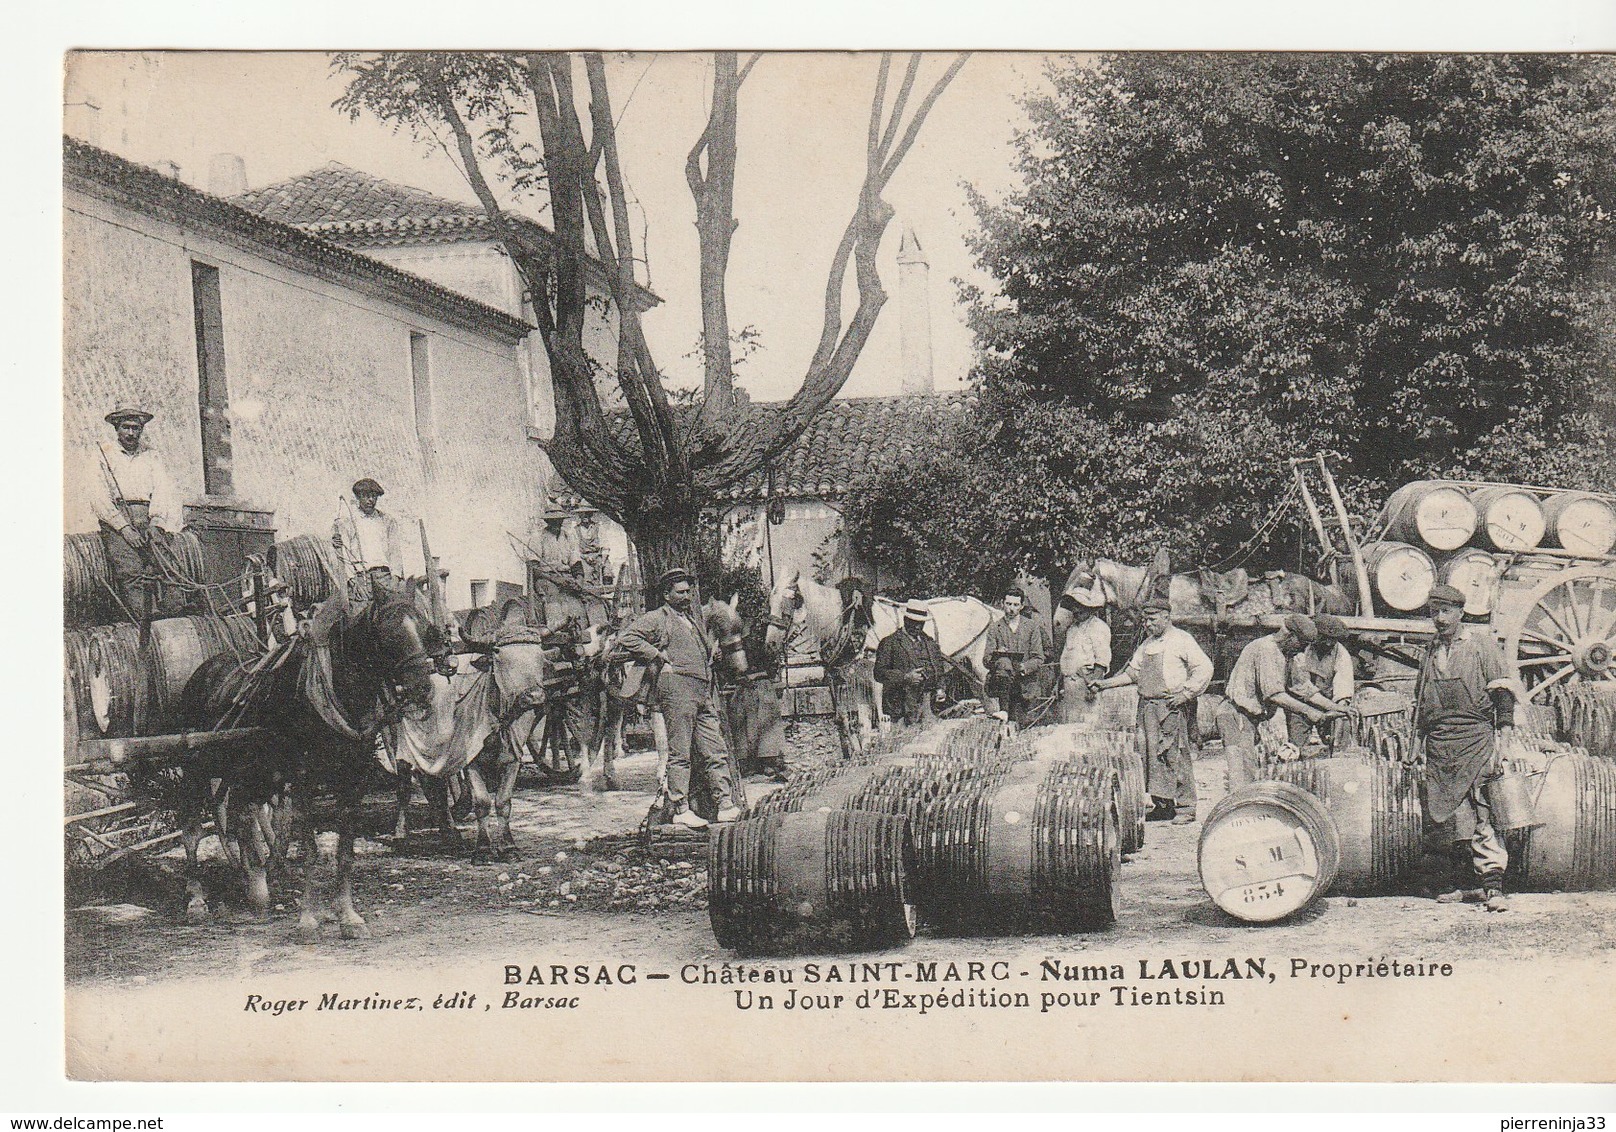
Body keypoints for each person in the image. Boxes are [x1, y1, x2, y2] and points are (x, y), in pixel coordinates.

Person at [1414, 583, 1518, 913]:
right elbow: (1420, 703)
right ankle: (1457, 884)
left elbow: (1503, 694)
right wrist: (1416, 742)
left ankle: (1494, 888)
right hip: (1441, 745)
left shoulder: (1480, 646)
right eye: (1434, 612)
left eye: (1445, 611)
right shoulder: (1430, 651)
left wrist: (1503, 742)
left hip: (1476, 740)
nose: (1439, 618)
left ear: (1461, 612)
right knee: (1445, 817)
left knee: (1484, 813)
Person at [613, 568, 741, 830]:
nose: (686, 596)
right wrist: (657, 655)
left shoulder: (691, 619)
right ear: (666, 594)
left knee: (715, 749)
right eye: (680, 592)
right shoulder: (658, 618)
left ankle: (725, 804)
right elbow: (627, 637)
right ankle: (681, 808)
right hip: (677, 690)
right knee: (680, 753)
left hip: (702, 691)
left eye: (688, 591)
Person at [1091, 596, 1213, 824]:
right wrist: (1105, 684)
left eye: (1152, 619)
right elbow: (1132, 674)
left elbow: (1204, 668)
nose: (1147, 624)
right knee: (1150, 758)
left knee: (1174, 755)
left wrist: (1186, 694)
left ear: (1166, 616)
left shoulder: (1181, 640)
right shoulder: (1147, 645)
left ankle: (1186, 807)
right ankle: (1162, 806)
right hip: (1146, 708)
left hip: (1169, 708)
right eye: (1145, 620)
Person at [1217, 615, 1346, 790]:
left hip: (1251, 719)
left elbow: (1303, 687)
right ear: (1289, 636)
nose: (1303, 649)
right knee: (1242, 777)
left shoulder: (1288, 654)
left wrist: (1336, 707)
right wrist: (1310, 712)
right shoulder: (1266, 649)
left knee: (1252, 772)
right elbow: (1274, 695)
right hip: (1236, 715)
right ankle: (1241, 815)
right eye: (1302, 644)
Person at [91, 406, 180, 625]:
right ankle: (146, 619)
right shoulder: (104, 455)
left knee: (166, 563)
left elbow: (162, 489)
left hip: (148, 516)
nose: (131, 433)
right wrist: (123, 528)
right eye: (126, 428)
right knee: (131, 570)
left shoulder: (151, 456)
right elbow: (98, 497)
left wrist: (157, 522)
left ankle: (175, 616)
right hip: (118, 520)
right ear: (117, 429)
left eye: (136, 428)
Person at [983, 586, 1051, 726]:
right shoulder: (995, 628)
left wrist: (1023, 667)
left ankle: (1006, 712)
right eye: (1008, 604)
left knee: (1025, 728)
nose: (1011, 608)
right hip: (1002, 684)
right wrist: (998, 656)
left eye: (1015, 605)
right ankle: (1004, 710)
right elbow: (986, 659)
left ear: (1021, 606)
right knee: (1004, 662)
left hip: (1025, 684)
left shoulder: (1032, 627)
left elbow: (1039, 657)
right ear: (1002, 604)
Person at [1287, 612, 1357, 746]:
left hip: (1329, 704)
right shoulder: (1302, 649)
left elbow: (1343, 689)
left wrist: (1340, 711)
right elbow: (1303, 686)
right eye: (1325, 638)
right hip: (1300, 703)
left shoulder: (1341, 654)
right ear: (1316, 635)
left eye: (1333, 639)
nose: (1329, 643)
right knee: (1297, 744)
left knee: (1338, 739)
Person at [874, 601, 948, 725]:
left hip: (928, 709)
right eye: (914, 622)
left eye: (921, 623)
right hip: (900, 709)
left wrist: (941, 687)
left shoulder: (930, 643)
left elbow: (939, 668)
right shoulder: (890, 643)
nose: (917, 627)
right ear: (905, 619)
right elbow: (878, 673)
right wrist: (905, 677)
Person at [332, 477, 404, 598]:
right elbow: (343, 554)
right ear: (358, 497)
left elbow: (395, 552)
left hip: (385, 577)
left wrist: (395, 578)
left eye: (374, 496)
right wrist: (353, 581)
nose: (370, 500)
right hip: (361, 579)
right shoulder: (347, 522)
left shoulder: (387, 521)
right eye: (366, 496)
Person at [1056, 574, 1111, 724]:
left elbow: (1102, 660)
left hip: (1086, 684)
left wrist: (1093, 687)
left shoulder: (1098, 627)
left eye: (1080, 607)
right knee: (1068, 725)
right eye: (1073, 606)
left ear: (1089, 608)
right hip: (1069, 685)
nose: (1076, 610)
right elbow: (1067, 657)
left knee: (1087, 726)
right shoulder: (1072, 629)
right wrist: (1060, 683)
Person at [530, 505, 579, 573]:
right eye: (553, 520)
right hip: (547, 576)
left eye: (559, 520)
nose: (557, 523)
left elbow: (576, 561)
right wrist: (553, 579)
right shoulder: (539, 537)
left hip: (566, 574)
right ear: (547, 521)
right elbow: (534, 566)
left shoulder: (567, 536)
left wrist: (579, 578)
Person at [575, 504, 607, 585]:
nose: (585, 516)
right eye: (583, 513)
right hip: (583, 558)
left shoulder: (598, 527)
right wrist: (585, 557)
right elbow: (574, 550)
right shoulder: (575, 530)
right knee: (583, 578)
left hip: (598, 557)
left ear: (591, 514)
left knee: (607, 573)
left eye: (588, 513)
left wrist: (603, 560)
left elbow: (605, 546)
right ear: (579, 515)